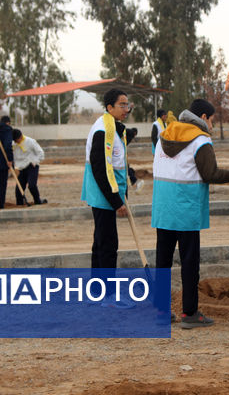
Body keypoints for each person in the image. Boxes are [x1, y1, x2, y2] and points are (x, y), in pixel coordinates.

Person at [152, 99, 229, 329]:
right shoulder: (200, 140)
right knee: (189, 263)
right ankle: (190, 313)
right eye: (212, 118)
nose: (212, 123)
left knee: (163, 262)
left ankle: (160, 311)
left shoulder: (165, 135)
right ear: (204, 117)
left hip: (164, 208)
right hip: (186, 209)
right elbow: (210, 173)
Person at [81, 88, 133, 309]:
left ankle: (96, 292)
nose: (126, 108)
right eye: (121, 104)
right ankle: (108, 296)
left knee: (101, 243)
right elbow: (101, 170)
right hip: (104, 196)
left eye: (127, 104)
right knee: (107, 245)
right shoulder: (103, 130)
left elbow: (118, 163)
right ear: (109, 107)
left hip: (108, 194)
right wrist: (116, 201)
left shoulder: (112, 127)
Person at [12, 128, 47, 205]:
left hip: (32, 166)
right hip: (21, 168)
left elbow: (41, 153)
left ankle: (37, 200)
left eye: (16, 140)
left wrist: (35, 161)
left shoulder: (30, 141)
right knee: (19, 188)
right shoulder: (13, 144)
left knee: (31, 185)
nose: (15, 142)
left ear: (20, 137)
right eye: (14, 140)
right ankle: (20, 203)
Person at [125, 127, 144, 192]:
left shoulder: (128, 134)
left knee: (127, 169)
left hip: (122, 154)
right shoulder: (130, 135)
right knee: (127, 169)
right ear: (135, 133)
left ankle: (135, 181)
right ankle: (134, 182)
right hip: (122, 154)